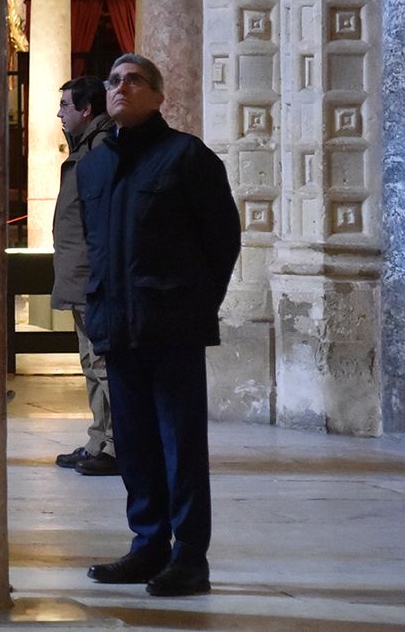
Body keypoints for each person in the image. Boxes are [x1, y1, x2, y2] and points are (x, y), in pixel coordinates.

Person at [79, 53, 240, 597]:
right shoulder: (95, 165)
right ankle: (148, 545)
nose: (122, 87)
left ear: (157, 96)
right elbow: (97, 247)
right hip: (118, 326)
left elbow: (222, 242)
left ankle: (190, 556)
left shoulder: (186, 157)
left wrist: (193, 306)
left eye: (135, 80)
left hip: (170, 326)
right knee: (136, 444)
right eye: (114, 80)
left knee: (180, 445)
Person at [51, 75, 117, 477]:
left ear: (86, 110)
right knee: (91, 363)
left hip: (92, 277)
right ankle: (99, 439)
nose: (59, 113)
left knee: (103, 364)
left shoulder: (101, 151)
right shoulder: (88, 149)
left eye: (65, 106)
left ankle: (114, 446)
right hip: (79, 275)